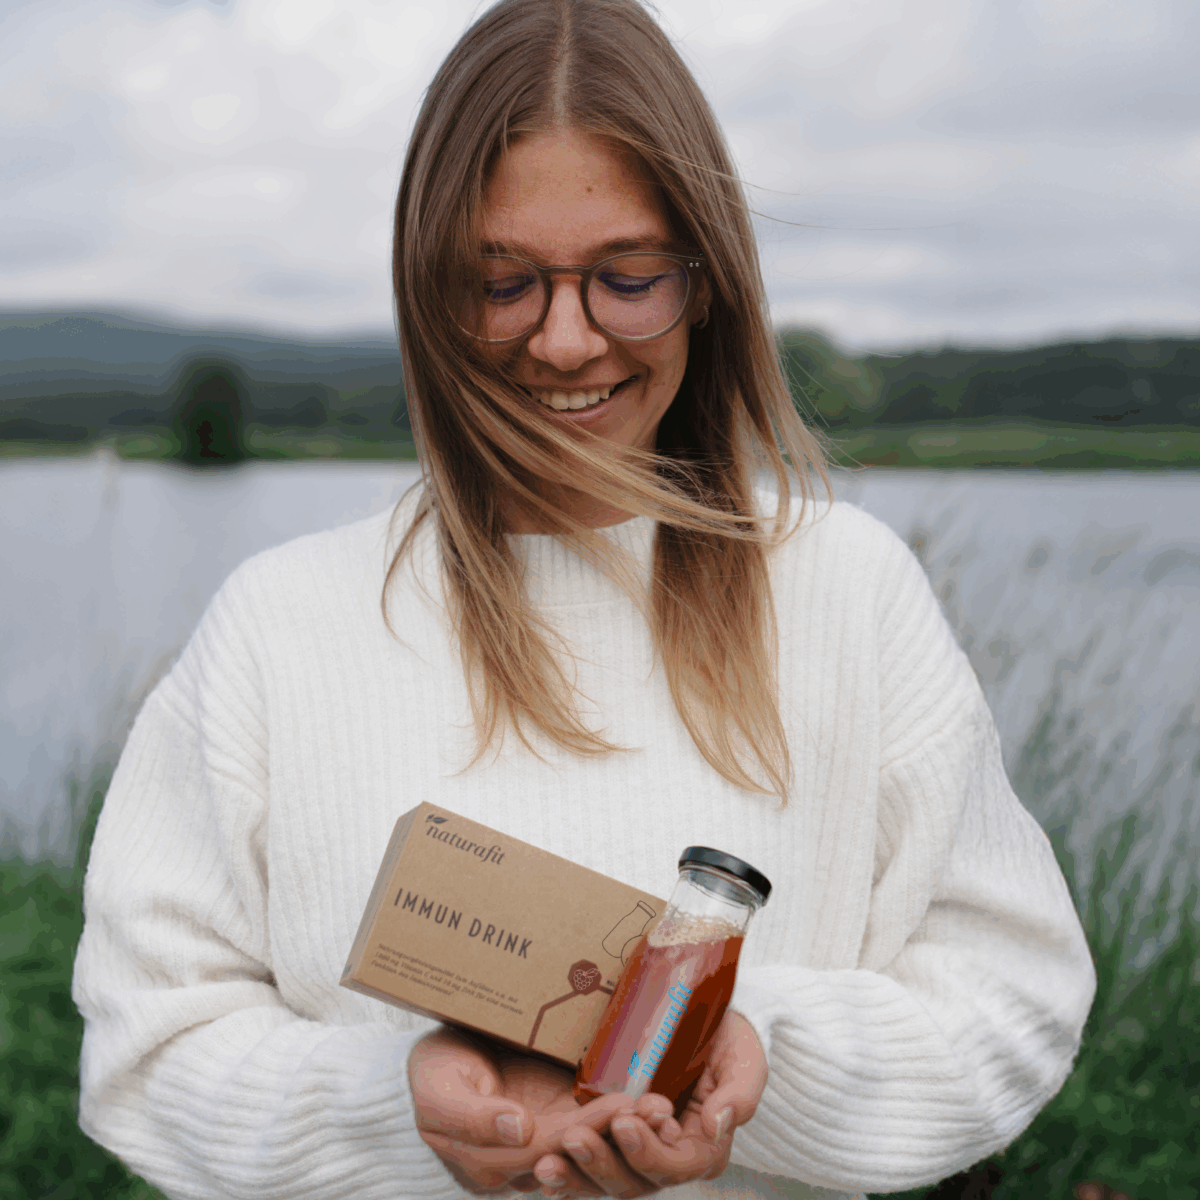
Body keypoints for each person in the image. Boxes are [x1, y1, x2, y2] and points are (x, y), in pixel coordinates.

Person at [72, 1, 1096, 1198]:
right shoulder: (275, 628)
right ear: (426, 289)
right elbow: (149, 1051)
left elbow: (1011, 999)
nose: (565, 342)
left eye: (628, 277)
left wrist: (749, 1055)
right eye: (501, 283)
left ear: (707, 282)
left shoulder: (850, 592)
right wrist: (396, 1106)